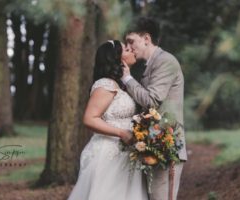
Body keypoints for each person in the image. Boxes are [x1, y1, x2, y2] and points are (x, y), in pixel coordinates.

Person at [67, 40, 148, 200]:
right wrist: (121, 133)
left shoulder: (121, 85)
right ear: (117, 58)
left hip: (125, 153)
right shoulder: (106, 84)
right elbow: (90, 119)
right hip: (109, 153)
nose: (131, 49)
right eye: (126, 49)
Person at [122, 17, 187, 200]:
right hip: (152, 147)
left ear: (146, 39)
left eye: (131, 41)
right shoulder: (148, 65)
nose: (129, 47)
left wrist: (127, 78)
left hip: (168, 148)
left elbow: (151, 101)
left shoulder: (166, 61)